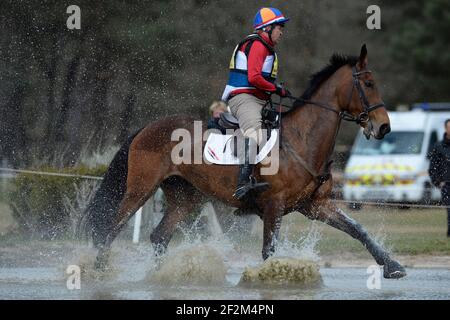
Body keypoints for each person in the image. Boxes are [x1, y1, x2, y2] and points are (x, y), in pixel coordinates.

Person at [221, 7, 291, 200]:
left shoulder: (267, 49)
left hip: (257, 99)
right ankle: (243, 183)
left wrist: (275, 89)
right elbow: (253, 77)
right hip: (242, 98)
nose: (281, 31)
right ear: (267, 28)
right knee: (254, 131)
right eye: (279, 27)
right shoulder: (258, 45)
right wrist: (275, 88)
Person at [428, 119, 450, 237]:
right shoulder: (438, 147)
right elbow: (432, 167)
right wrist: (437, 182)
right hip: (446, 184)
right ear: (445, 128)